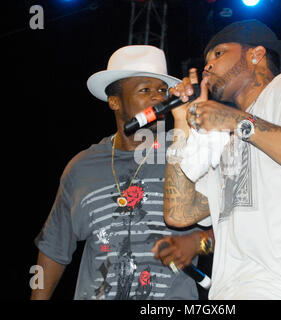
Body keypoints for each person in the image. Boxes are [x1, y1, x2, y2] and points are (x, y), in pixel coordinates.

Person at [163, 20, 281, 299]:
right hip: (226, 292)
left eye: (218, 54)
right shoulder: (224, 137)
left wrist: (235, 120)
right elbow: (179, 213)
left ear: (255, 54)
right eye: (206, 60)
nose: (208, 66)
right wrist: (181, 121)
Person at [31, 45, 214, 300]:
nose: (158, 98)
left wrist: (197, 243)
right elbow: (53, 250)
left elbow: (232, 228)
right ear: (115, 101)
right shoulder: (82, 167)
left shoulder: (188, 153)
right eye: (145, 90)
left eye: (163, 90)